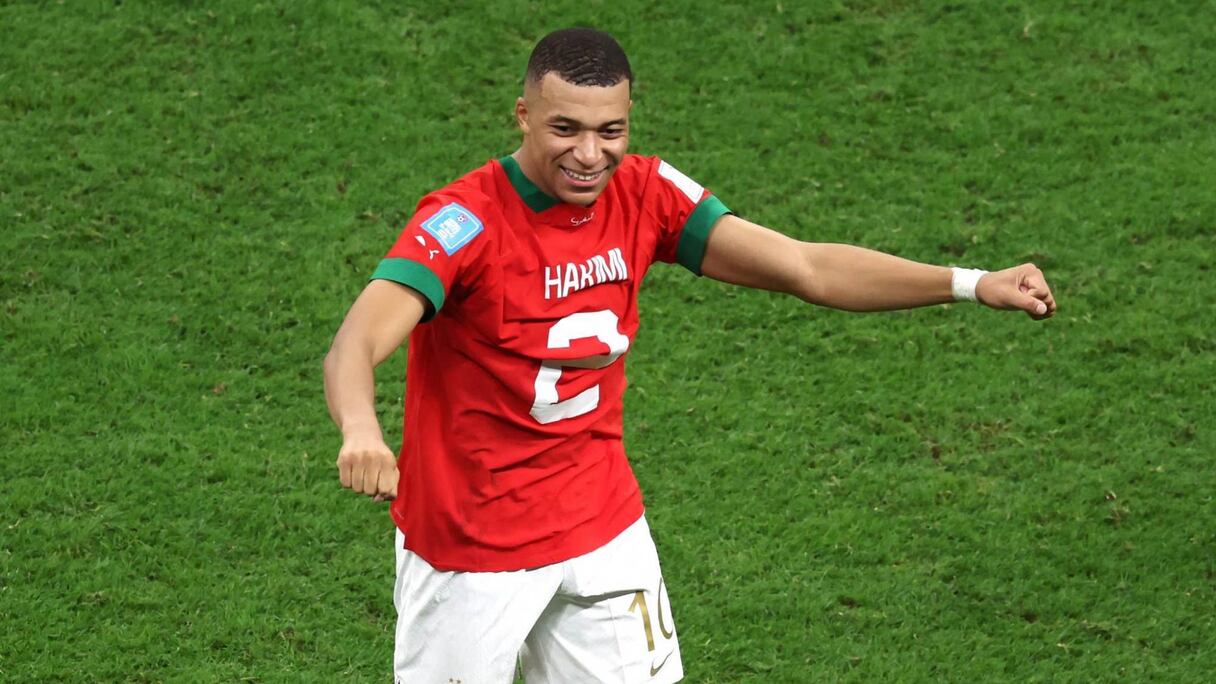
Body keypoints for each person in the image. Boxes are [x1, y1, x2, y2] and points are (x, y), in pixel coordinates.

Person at [323, 27, 1056, 684]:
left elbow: (806, 267)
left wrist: (971, 282)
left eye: (610, 130)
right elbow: (356, 341)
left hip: (601, 527)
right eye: (564, 129)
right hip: (470, 547)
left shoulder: (647, 192)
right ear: (523, 115)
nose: (589, 154)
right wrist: (361, 429)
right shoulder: (464, 221)